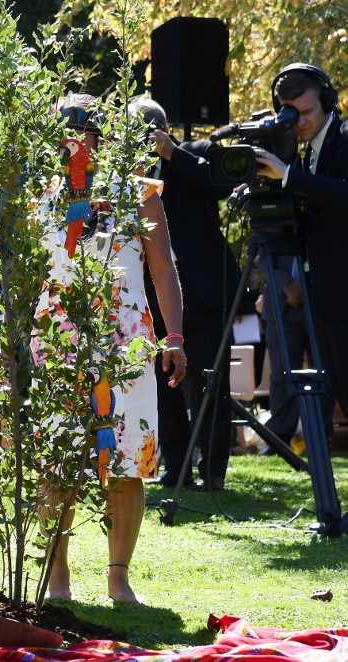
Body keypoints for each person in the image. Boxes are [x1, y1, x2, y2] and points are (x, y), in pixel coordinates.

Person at [34, 94, 186, 604]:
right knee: (57, 460)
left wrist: (175, 337)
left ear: (102, 135)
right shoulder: (43, 197)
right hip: (57, 343)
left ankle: (118, 578)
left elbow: (163, 269)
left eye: (83, 130)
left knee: (127, 459)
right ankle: (58, 579)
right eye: (65, 131)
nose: (74, 141)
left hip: (126, 343)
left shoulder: (140, 193)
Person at [129, 97, 241, 491]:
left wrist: (171, 153)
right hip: (155, 293)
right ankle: (176, 470)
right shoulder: (126, 174)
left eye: (151, 132)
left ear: (165, 128)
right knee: (165, 389)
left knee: (212, 385)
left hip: (204, 291)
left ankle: (213, 475)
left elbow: (222, 185)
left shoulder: (195, 154)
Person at [254, 63, 348, 431]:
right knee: (341, 391)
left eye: (308, 111)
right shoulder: (304, 149)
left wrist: (290, 176)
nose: (302, 121)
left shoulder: (344, 136)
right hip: (323, 295)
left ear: (327, 100)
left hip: (342, 293)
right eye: (292, 114)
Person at [258, 256, 333, 448]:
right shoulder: (271, 226)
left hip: (321, 302)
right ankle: (279, 441)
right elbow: (262, 257)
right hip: (280, 306)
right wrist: (287, 285)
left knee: (325, 372)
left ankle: (320, 439)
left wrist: (304, 285)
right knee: (282, 374)